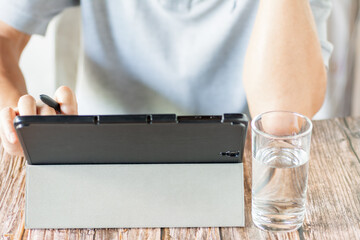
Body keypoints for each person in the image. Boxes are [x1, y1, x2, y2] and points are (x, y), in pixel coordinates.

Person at [0, 0, 332, 156]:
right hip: (105, 156)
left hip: (239, 166)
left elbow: (283, 121)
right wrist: (18, 116)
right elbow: (4, 37)